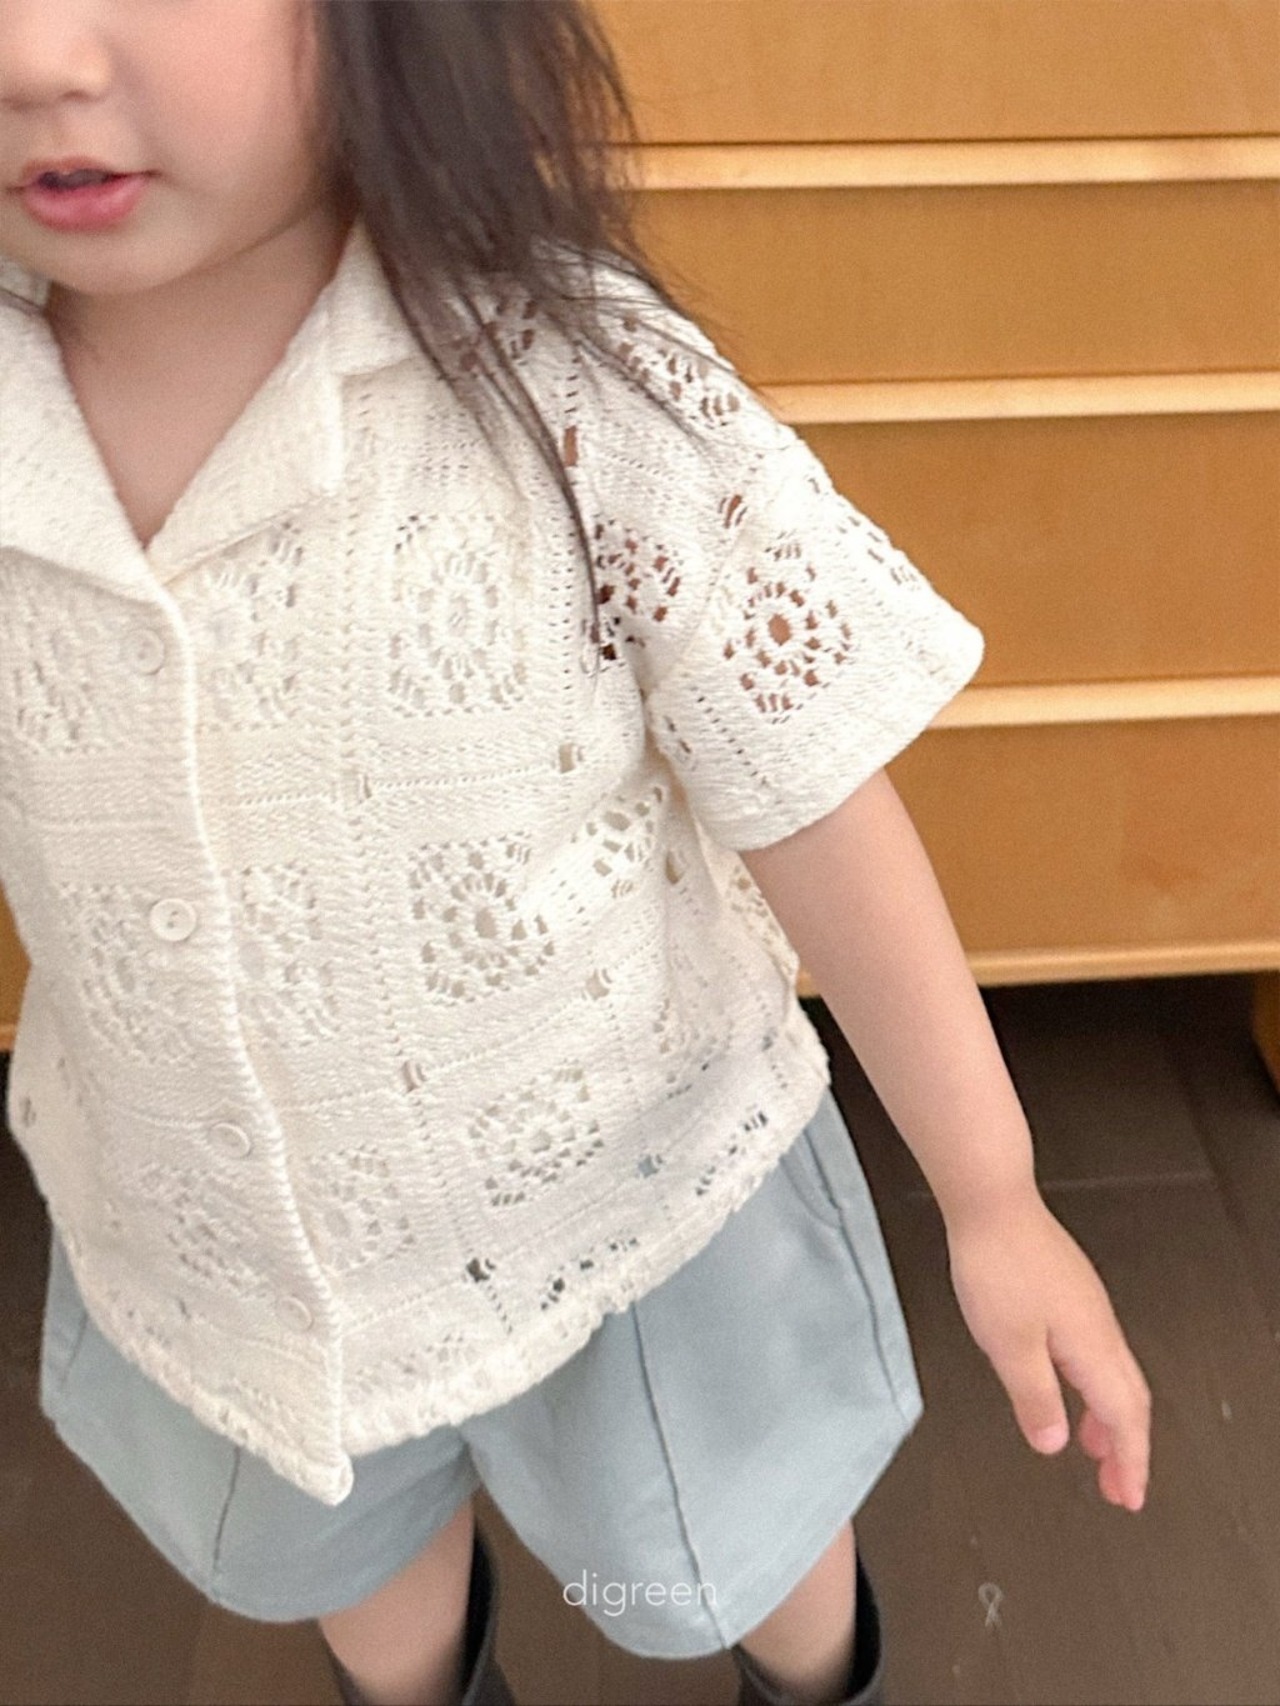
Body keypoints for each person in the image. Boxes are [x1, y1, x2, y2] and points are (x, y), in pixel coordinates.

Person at [0, 4, 1152, 1705]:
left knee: (726, 1550)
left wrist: (993, 1195)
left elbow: (809, 788)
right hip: (224, 1241)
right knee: (359, 1571)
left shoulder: (573, 389)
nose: (35, 55)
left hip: (634, 1212)